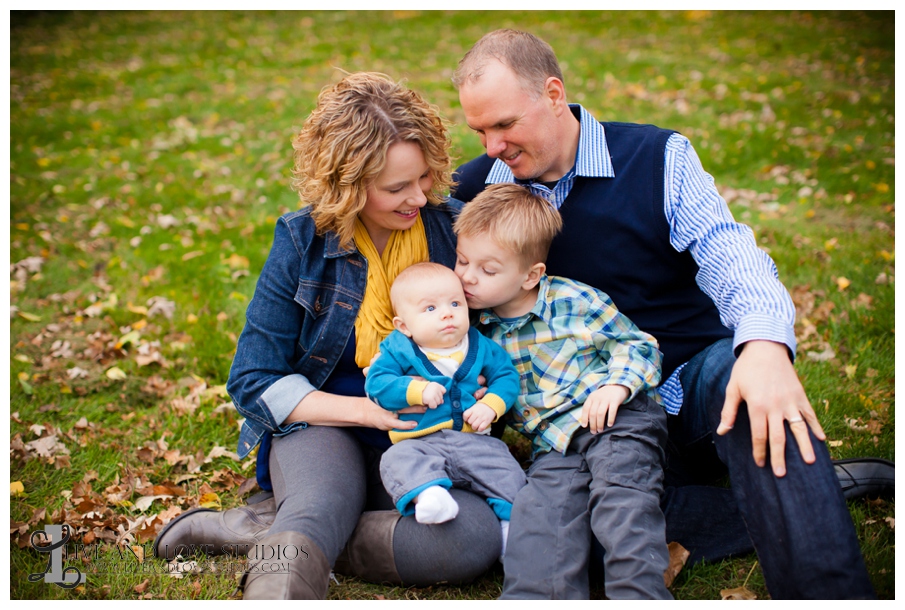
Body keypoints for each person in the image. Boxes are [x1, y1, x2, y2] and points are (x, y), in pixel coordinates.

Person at [450, 29, 882, 599]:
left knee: (747, 378)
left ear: (553, 94)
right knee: (585, 545)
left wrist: (765, 347)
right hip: (590, 426)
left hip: (687, 387)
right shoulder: (477, 190)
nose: (492, 145)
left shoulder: (656, 158)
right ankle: (811, 492)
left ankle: (828, 591)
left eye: (504, 125)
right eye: (479, 130)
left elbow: (731, 253)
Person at [152, 72, 503, 598]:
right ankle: (304, 533)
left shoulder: (452, 230)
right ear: (347, 184)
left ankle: (278, 531)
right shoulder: (303, 241)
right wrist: (366, 411)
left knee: (471, 538)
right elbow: (254, 378)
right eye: (396, 187)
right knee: (320, 501)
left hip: (430, 435)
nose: (419, 196)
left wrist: (482, 385)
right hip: (327, 423)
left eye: (424, 176)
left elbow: (503, 335)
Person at [453, 184, 671, 599]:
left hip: (616, 419)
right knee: (539, 516)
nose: (466, 276)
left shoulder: (574, 301)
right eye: (463, 260)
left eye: (487, 269)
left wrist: (617, 384)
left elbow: (637, 344)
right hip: (554, 445)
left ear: (530, 275)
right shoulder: (476, 334)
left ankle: (637, 596)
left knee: (621, 505)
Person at [366, 262, 524, 546]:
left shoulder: (479, 345)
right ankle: (430, 496)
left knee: (506, 471)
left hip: (474, 441)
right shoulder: (398, 349)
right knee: (396, 461)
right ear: (404, 326)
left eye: (455, 303)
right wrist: (415, 390)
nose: (447, 313)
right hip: (419, 441)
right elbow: (377, 384)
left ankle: (509, 529)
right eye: (430, 309)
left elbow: (506, 376)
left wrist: (491, 404)